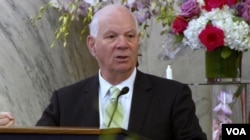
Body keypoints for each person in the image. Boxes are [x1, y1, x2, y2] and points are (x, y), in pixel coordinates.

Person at [0, 4, 207, 140]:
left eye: (130, 36)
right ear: (92, 45)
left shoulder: (172, 96)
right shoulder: (64, 101)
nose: (123, 44)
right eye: (111, 37)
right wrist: (8, 134)